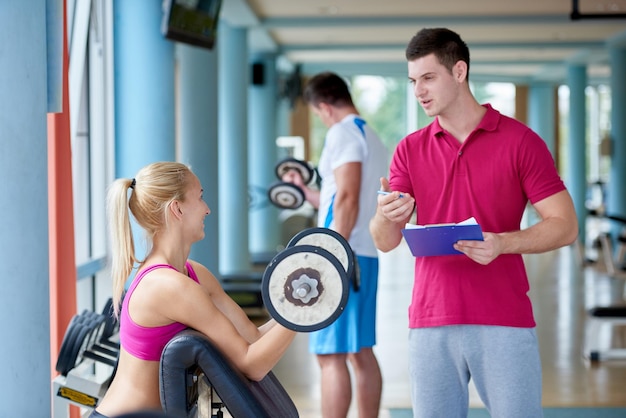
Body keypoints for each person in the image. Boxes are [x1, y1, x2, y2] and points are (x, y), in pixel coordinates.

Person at [369, 28, 578, 418]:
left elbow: (565, 224)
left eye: (429, 78)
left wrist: (502, 243)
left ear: (459, 71)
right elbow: (384, 241)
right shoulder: (409, 149)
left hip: (504, 317)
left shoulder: (520, 142)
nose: (419, 91)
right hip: (431, 320)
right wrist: (384, 216)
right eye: (413, 81)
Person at [91, 162, 296, 417]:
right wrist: (304, 313)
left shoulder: (194, 273)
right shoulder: (168, 286)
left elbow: (252, 339)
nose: (207, 209)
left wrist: (294, 306)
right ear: (177, 209)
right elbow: (251, 365)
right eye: (200, 197)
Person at [281, 72, 388, 418]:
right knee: (360, 351)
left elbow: (347, 197)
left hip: (344, 256)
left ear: (324, 107)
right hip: (363, 253)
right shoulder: (369, 135)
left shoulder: (341, 132)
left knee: (330, 356)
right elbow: (335, 197)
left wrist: (331, 257)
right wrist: (304, 191)